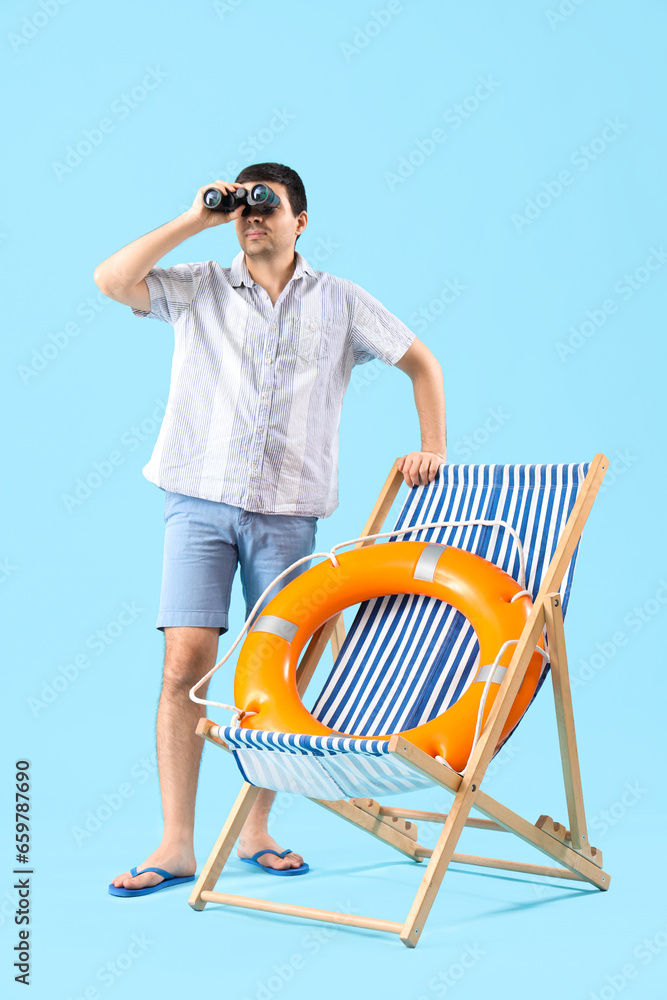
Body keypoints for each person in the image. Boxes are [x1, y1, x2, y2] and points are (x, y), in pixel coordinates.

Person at [94, 162, 446, 895]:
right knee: (183, 664)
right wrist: (197, 217)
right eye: (242, 207)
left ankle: (254, 828)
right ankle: (177, 843)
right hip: (196, 501)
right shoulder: (197, 285)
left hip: (288, 513)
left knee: (276, 676)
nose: (251, 216)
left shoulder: (342, 301)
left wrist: (432, 447)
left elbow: (421, 364)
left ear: (299, 222)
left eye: (266, 205)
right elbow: (111, 280)